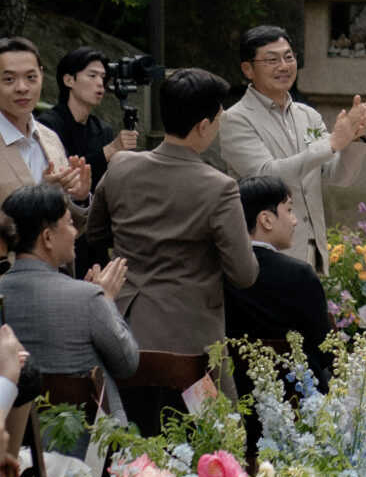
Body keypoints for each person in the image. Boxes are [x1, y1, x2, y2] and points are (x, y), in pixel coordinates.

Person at [86, 68, 258, 353]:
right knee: (209, 399)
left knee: (127, 399)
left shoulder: (121, 165)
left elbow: (96, 233)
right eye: (220, 117)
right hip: (190, 334)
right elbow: (244, 274)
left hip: (124, 323)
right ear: (204, 126)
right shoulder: (220, 187)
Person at [219, 27, 366, 275]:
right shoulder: (235, 120)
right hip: (264, 254)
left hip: (311, 249)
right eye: (272, 60)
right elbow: (267, 175)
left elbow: (339, 176)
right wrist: (332, 143)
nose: (283, 66)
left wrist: (352, 141)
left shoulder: (308, 115)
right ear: (247, 69)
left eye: (289, 57)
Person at [1, 183, 139, 413]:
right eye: (70, 223)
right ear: (47, 238)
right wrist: (106, 299)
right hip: (88, 443)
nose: (75, 232)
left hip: (17, 438)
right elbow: (127, 363)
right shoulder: (90, 298)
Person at [224, 177, 333, 392]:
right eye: (289, 210)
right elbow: (325, 350)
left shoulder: (220, 271)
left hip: (235, 395)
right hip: (297, 399)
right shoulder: (299, 275)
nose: (294, 221)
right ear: (266, 219)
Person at [39, 47, 139, 273]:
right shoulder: (48, 125)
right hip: (62, 225)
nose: (100, 84)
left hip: (96, 228)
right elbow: (66, 173)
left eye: (103, 78)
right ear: (68, 80)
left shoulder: (102, 128)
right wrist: (111, 149)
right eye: (92, 76)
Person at [0, 38, 91, 214]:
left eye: (31, 77)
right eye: (9, 79)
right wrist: (43, 197)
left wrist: (79, 198)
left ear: (42, 75)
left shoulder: (50, 139)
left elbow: (65, 227)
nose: (22, 87)